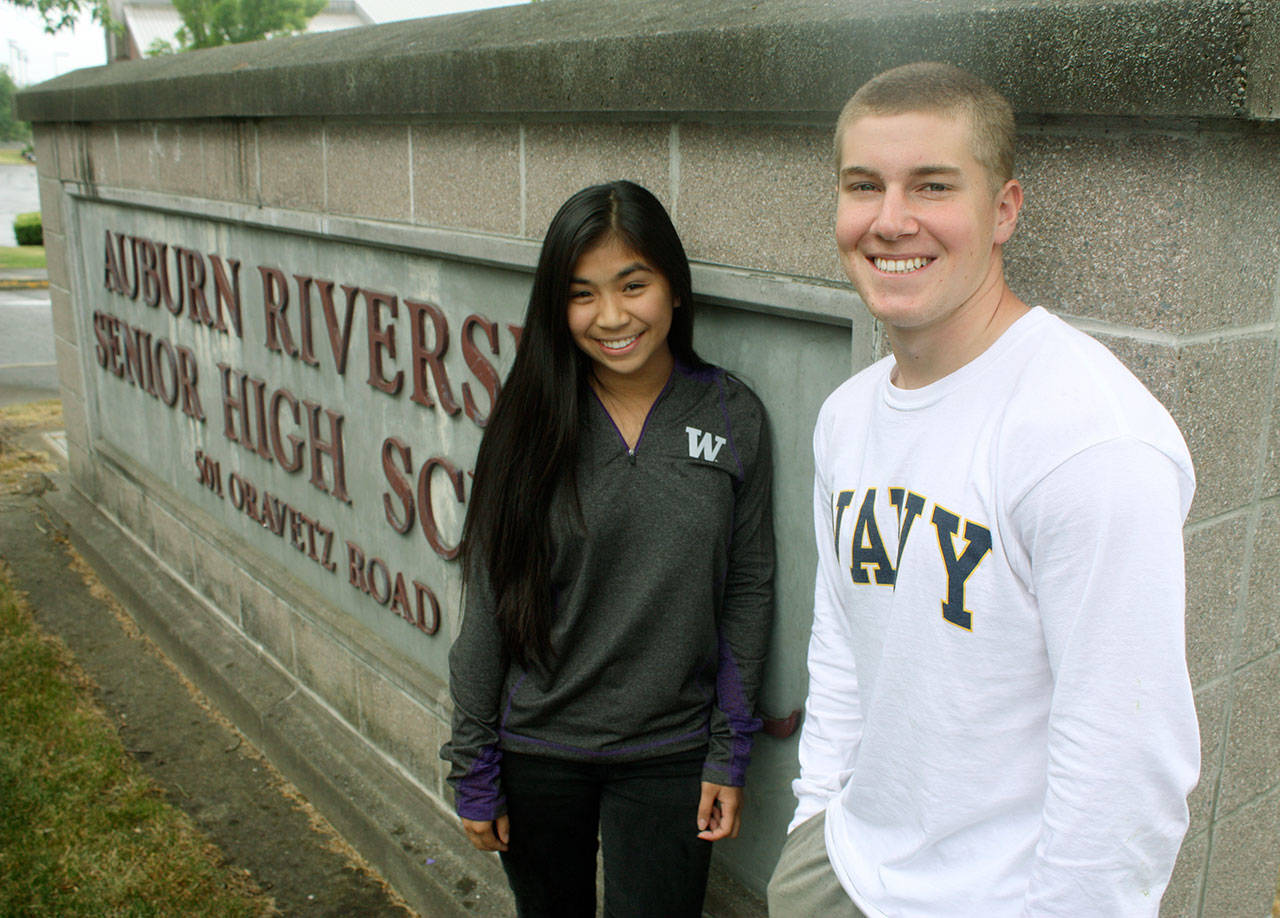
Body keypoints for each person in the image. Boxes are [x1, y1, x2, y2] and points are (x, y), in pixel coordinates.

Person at [767, 62, 1199, 917]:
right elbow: (844, 642)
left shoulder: (1089, 439)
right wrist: (814, 817)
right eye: (864, 186)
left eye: (932, 186)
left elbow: (1124, 758)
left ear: (1003, 210)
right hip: (841, 867)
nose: (891, 220)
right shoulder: (849, 417)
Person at [440, 180, 774, 918]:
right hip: (539, 754)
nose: (613, 316)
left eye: (634, 285)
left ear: (674, 289)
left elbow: (748, 591)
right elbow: (488, 610)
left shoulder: (731, 414)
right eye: (582, 293)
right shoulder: (528, 422)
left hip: (670, 753)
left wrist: (729, 750)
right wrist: (474, 764)